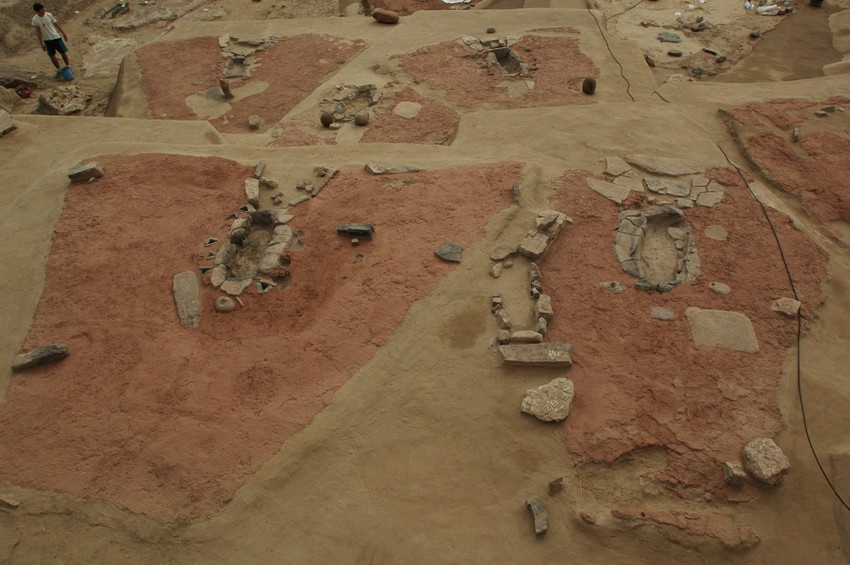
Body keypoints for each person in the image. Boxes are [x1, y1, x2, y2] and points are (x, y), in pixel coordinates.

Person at [31, 3, 70, 78]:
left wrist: (64, 34)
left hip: (56, 37)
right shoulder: (35, 20)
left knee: (63, 52)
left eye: (43, 9)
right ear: (37, 11)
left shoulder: (49, 15)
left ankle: (68, 66)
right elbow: (38, 32)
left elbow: (56, 24)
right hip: (47, 40)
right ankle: (59, 70)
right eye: (41, 10)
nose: (43, 11)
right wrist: (41, 43)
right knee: (52, 55)